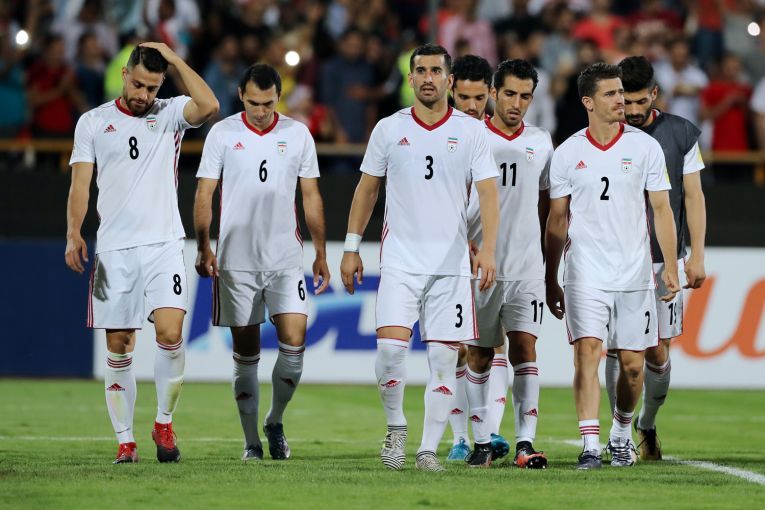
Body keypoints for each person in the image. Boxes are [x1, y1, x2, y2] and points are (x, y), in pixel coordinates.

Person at [340, 43, 499, 472]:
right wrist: (351, 247)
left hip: (451, 267)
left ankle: (428, 450)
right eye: (421, 71)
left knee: (444, 361)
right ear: (410, 78)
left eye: (436, 71)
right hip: (400, 262)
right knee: (389, 353)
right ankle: (396, 427)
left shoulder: (471, 132)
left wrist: (487, 249)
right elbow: (367, 190)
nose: (428, 78)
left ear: (449, 79)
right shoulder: (389, 129)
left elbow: (488, 193)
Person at [65, 43, 219, 464]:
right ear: (124, 75)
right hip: (114, 250)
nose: (143, 95)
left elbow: (209, 105)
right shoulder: (92, 122)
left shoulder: (169, 113)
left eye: (152, 87)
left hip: (164, 244)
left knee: (170, 333)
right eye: (137, 85)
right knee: (119, 344)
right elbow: (80, 185)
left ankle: (164, 422)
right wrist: (73, 232)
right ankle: (125, 441)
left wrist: (175, 59)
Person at [545, 62, 680, 470]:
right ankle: (589, 445)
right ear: (588, 102)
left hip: (634, 274)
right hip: (585, 272)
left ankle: (620, 434)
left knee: (634, 367)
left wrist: (670, 265)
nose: (621, 100)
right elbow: (556, 220)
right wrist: (551, 277)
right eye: (611, 94)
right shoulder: (568, 152)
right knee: (587, 353)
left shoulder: (644, 148)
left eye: (621, 92)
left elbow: (661, 209)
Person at [193, 63, 331, 461]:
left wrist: (321, 253)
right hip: (236, 262)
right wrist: (203, 246)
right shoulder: (222, 134)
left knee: (295, 343)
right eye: (253, 103)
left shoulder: (297, 134)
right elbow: (204, 194)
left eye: (268, 103)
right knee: (246, 353)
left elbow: (311, 196)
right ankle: (251, 441)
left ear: (278, 98)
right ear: (241, 95)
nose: (260, 111)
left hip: (285, 259)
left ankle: (275, 420)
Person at [608, 56, 706, 460]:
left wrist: (696, 255)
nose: (631, 110)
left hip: (662, 259)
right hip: (613, 260)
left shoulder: (680, 133)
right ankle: (618, 434)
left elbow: (694, 196)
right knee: (616, 349)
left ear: (655, 93)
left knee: (657, 350)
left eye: (639, 101)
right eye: (625, 101)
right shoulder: (604, 132)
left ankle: (646, 423)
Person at [466, 58, 554, 469]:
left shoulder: (542, 141)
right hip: (480, 267)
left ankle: (524, 443)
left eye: (525, 96)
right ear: (493, 93)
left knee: (524, 348)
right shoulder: (471, 137)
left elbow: (546, 204)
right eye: (510, 94)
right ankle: (482, 442)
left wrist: (548, 264)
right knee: (479, 354)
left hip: (526, 266)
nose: (517, 103)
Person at [445, 54, 512, 466]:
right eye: (463, 97)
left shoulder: (496, 140)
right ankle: (459, 438)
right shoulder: (440, 135)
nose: (471, 106)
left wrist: (488, 246)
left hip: (489, 257)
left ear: (490, 93)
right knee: (456, 348)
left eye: (478, 98)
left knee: (492, 344)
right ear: (452, 90)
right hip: (449, 257)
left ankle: (491, 430)